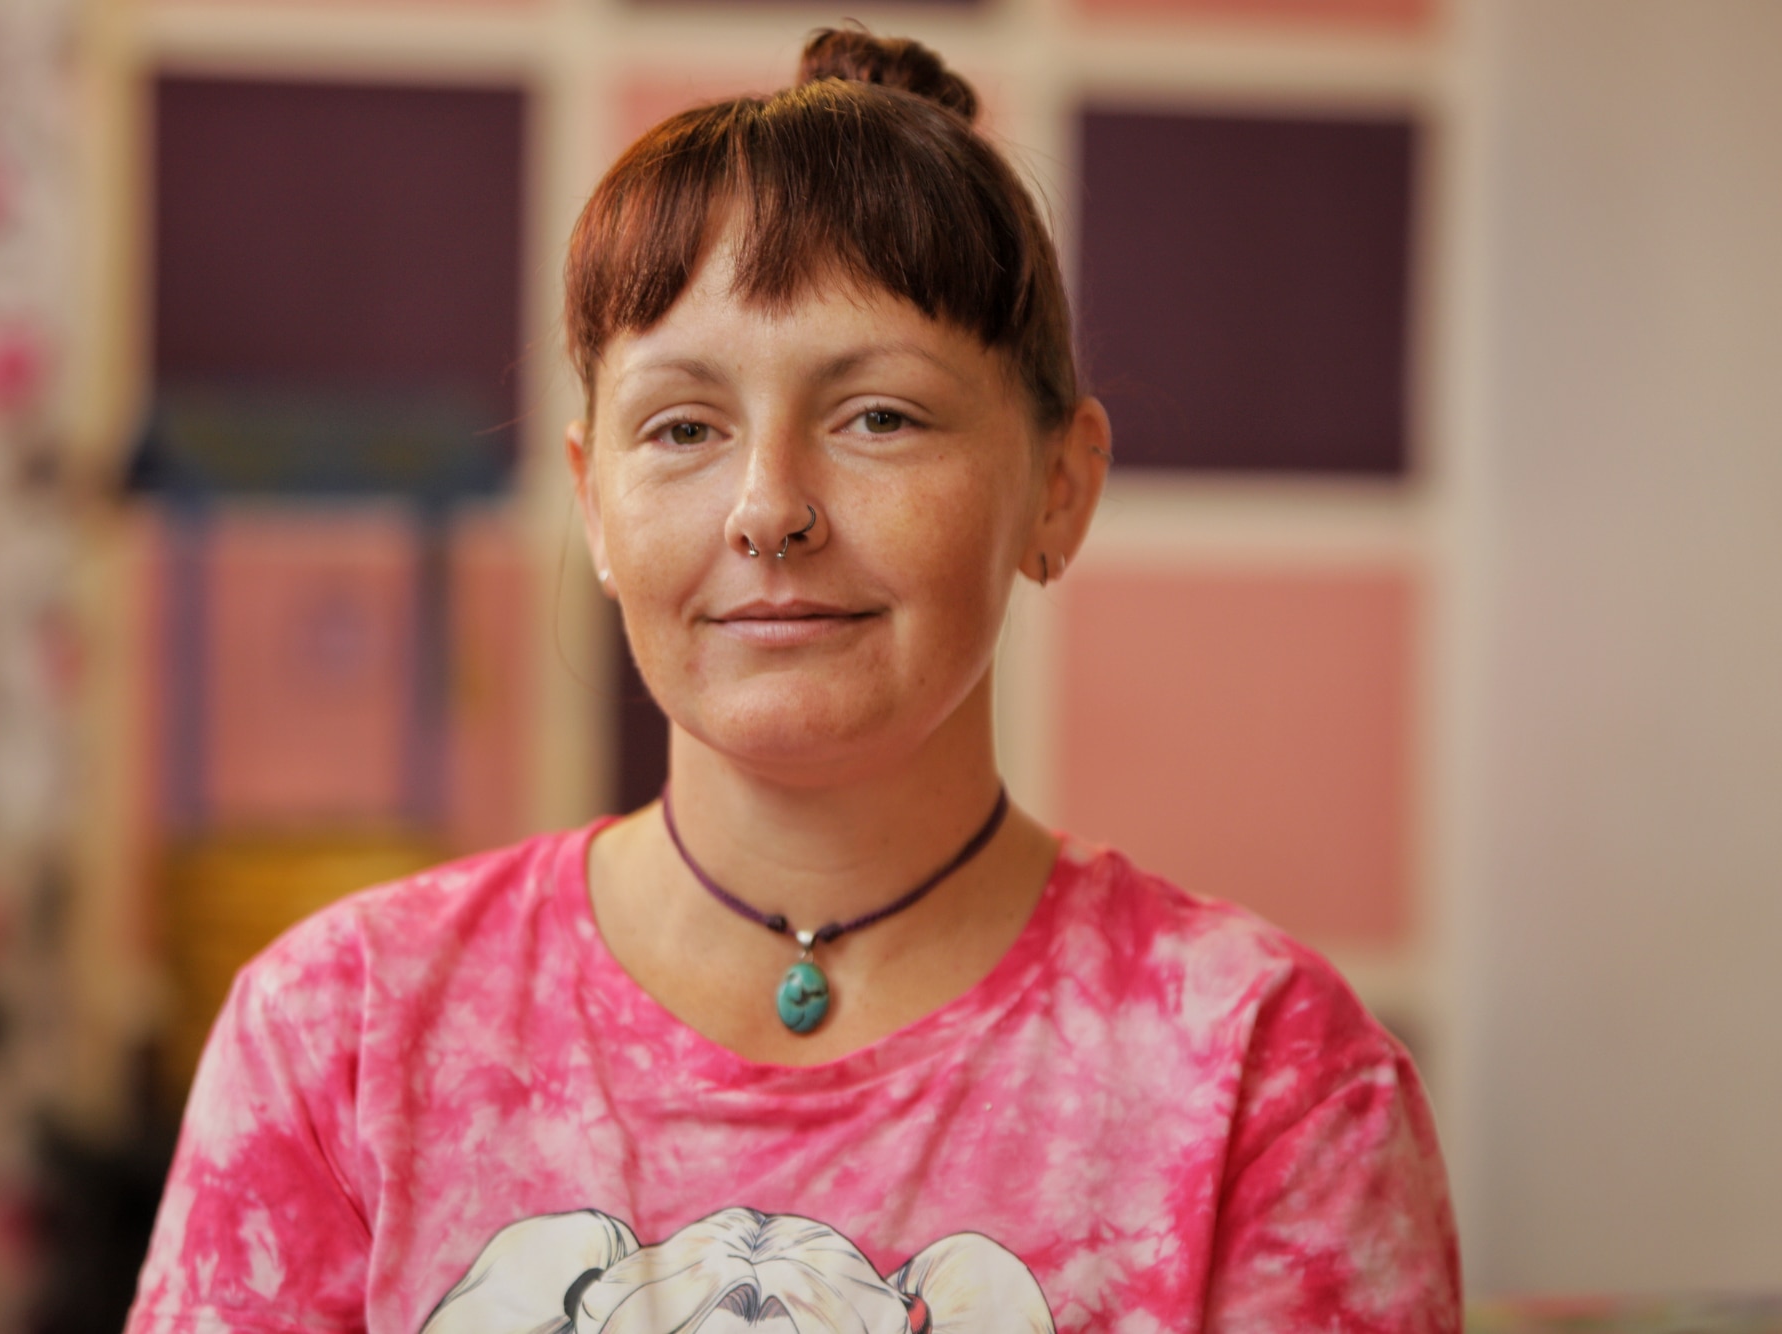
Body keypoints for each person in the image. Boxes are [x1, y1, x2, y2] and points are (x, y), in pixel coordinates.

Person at [125, 28, 1458, 1334]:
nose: (768, 509)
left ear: (1060, 486)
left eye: (878, 415)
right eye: (683, 427)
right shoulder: (337, 1037)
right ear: (595, 504)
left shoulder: (1270, 1078)